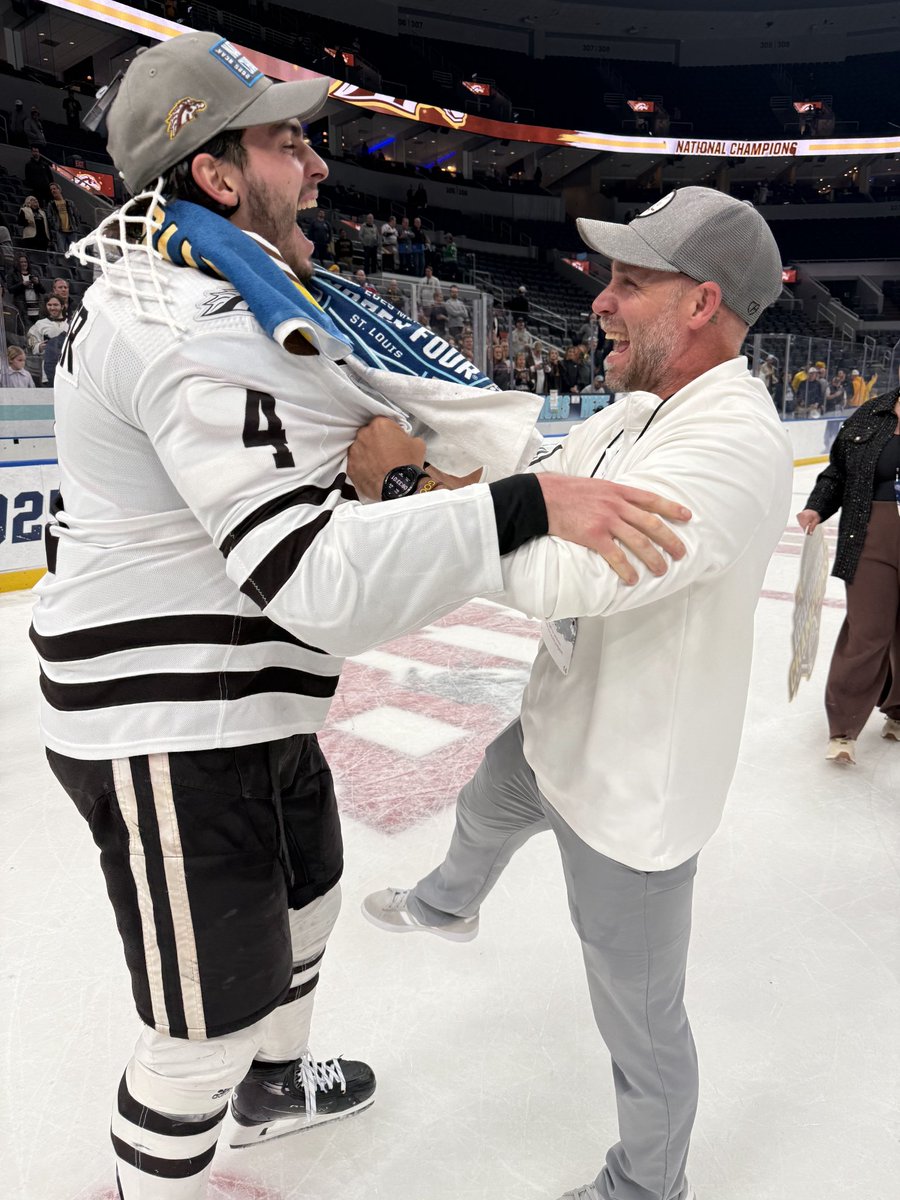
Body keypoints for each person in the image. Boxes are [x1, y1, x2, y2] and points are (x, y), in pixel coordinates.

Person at [31, 33, 690, 1200]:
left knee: (312, 896)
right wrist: (518, 502)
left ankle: (275, 1089)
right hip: (169, 722)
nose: (322, 167)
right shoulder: (192, 329)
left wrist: (396, 483)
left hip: (239, 690)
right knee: (198, 1035)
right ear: (217, 177)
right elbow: (314, 578)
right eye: (290, 143)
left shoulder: (204, 284)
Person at [357, 186, 792, 1200]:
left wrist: (408, 491)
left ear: (700, 304)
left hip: (631, 799)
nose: (599, 300)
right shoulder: (640, 407)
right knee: (485, 800)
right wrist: (449, 434)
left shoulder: (729, 449)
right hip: (562, 728)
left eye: (630, 282)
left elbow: (570, 573)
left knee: (640, 1024)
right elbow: (541, 476)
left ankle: (648, 1185)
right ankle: (447, 904)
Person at [796, 384, 900, 764]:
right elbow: (837, 473)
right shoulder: (871, 415)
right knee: (869, 630)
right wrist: (816, 508)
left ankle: (898, 710)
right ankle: (844, 727)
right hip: (871, 535)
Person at [27, 294, 68, 383]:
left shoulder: (71, 323)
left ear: (62, 306)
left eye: (56, 305)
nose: (52, 308)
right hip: (48, 370)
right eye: (49, 305)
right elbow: (30, 344)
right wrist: (39, 347)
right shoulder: (40, 324)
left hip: (69, 370)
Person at [6, 252, 46, 326]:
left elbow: (43, 291)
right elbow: (10, 289)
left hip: (35, 307)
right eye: (21, 262)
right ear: (17, 263)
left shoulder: (34, 273)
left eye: (25, 262)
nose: (24, 264)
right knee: (26, 328)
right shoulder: (12, 274)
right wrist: (22, 284)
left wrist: (37, 283)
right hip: (22, 307)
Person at [46, 181, 81, 252]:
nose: (53, 191)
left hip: (72, 230)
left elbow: (76, 215)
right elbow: (49, 217)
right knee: (61, 251)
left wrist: (77, 226)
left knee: (74, 251)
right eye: (51, 190)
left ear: (59, 190)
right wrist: (55, 225)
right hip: (60, 231)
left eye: (54, 189)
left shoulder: (69, 203)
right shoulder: (51, 204)